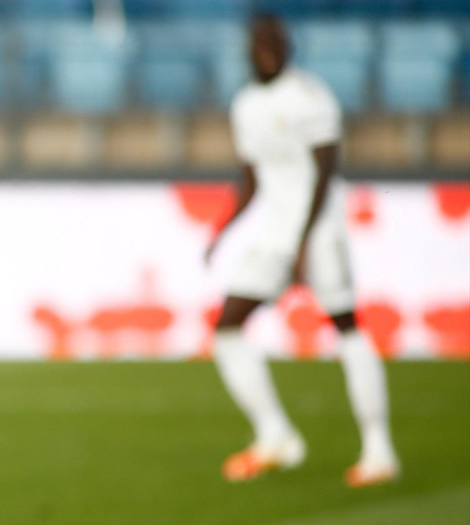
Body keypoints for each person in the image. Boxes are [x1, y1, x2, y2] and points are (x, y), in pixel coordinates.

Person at [206, 14, 398, 487]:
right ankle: (275, 436)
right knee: (227, 328)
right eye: (260, 42)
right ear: (248, 49)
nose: (268, 49)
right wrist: (222, 231)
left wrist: (303, 244)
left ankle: (379, 450)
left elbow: (325, 172)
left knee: (345, 325)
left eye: (276, 41)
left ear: (288, 47)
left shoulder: (309, 96)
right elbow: (253, 178)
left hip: (320, 227)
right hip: (275, 230)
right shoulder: (246, 104)